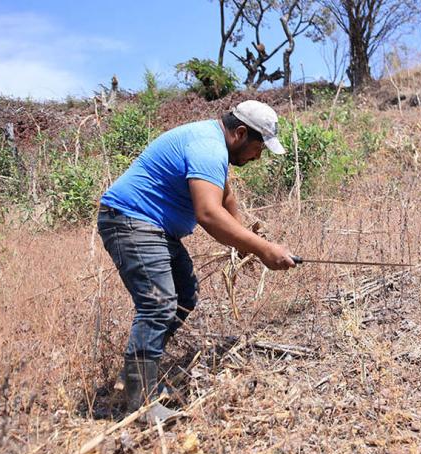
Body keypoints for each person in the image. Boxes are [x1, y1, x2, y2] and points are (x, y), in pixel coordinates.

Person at [97, 100, 296, 422]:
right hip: (132, 222)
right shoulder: (208, 147)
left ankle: (133, 378)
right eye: (258, 148)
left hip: (155, 227)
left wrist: (244, 239)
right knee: (158, 304)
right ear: (240, 133)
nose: (258, 157)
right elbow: (208, 213)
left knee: (184, 296)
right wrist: (262, 248)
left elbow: (225, 196)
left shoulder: (212, 143)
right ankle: (140, 405)